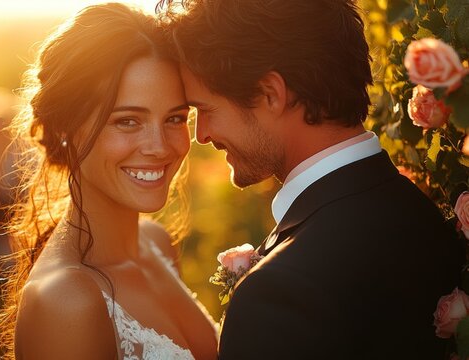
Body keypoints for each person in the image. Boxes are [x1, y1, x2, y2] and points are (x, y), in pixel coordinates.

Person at [158, 0, 464, 358]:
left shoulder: (276, 296)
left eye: (205, 110)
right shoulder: (426, 216)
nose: (202, 135)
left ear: (271, 94)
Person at [0, 3, 218, 360]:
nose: (159, 147)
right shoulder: (66, 301)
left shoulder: (156, 243)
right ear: (66, 128)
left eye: (175, 118)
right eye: (128, 121)